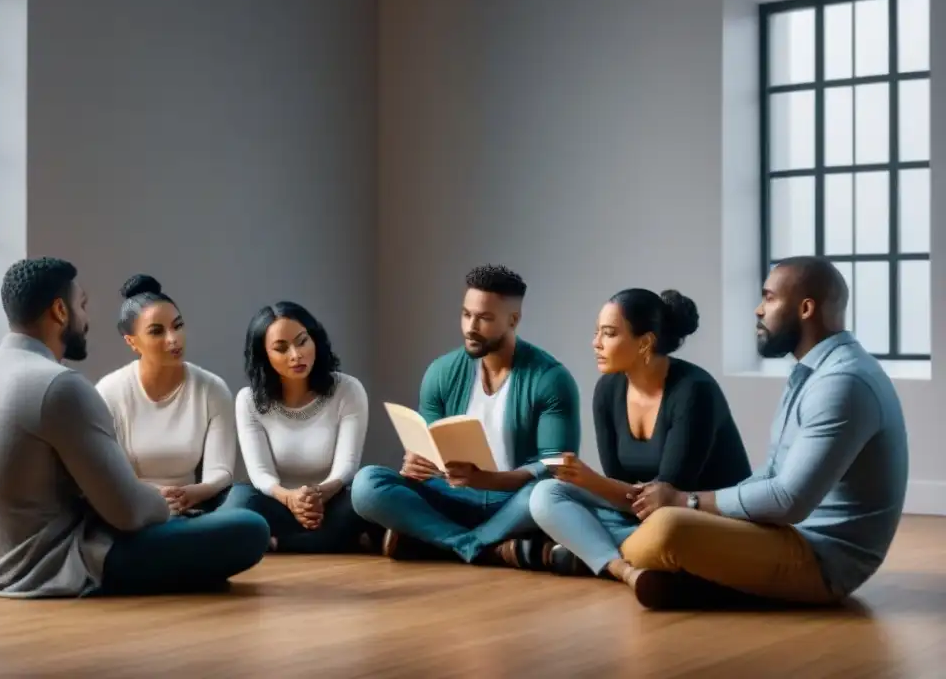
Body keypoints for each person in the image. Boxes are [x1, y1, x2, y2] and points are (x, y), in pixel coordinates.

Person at [0, 257, 269, 599]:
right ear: (60, 311)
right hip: (54, 564)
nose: (86, 318)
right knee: (250, 528)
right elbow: (128, 512)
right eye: (81, 305)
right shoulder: (59, 385)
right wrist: (168, 506)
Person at [612, 257, 908, 609]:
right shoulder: (813, 371)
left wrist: (685, 501)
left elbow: (788, 501)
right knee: (656, 517)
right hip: (786, 535)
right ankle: (637, 564)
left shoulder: (842, 382)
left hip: (821, 560)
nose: (757, 310)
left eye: (768, 298)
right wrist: (700, 508)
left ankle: (604, 557)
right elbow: (770, 474)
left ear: (806, 308)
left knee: (667, 528)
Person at [351, 264, 581, 568]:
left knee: (550, 492)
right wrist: (417, 461)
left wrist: (490, 479)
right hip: (450, 496)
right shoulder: (442, 371)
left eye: (485, 318)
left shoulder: (550, 379)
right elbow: (431, 443)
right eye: (466, 314)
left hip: (512, 502)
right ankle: (483, 547)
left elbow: (556, 465)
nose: (471, 327)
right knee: (366, 485)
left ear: (513, 320)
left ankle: (436, 541)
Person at [529, 288, 752, 577]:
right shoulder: (607, 390)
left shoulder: (695, 391)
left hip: (699, 518)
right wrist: (590, 483)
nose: (595, 343)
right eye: (597, 332)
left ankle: (590, 551)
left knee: (664, 528)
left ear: (645, 342)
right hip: (640, 515)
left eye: (608, 334)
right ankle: (620, 565)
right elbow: (621, 488)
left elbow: (667, 497)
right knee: (546, 494)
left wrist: (592, 482)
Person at [234, 301, 379, 552]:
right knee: (238, 500)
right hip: (277, 502)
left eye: (302, 341)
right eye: (281, 348)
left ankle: (278, 544)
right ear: (264, 356)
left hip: (332, 502)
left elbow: (346, 466)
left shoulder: (348, 390)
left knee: (369, 492)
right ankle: (335, 542)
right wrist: (290, 499)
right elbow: (261, 474)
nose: (296, 355)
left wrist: (317, 495)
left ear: (315, 340)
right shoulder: (248, 400)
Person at [96, 274, 245, 517]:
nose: (173, 339)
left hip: (192, 506)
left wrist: (192, 494)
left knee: (243, 504)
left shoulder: (212, 389)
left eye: (178, 326)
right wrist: (156, 496)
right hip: (130, 509)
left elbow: (220, 471)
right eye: (157, 332)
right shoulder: (109, 391)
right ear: (132, 342)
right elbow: (109, 474)